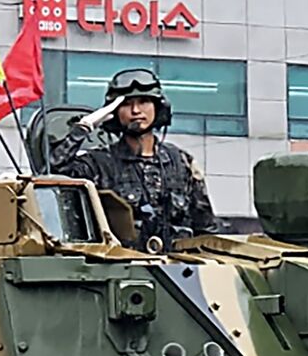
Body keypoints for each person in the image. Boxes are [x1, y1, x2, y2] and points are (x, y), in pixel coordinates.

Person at [49, 68, 216, 249]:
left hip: (178, 267)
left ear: (158, 108)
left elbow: (205, 227)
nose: (136, 110)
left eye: (144, 102)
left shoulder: (181, 162)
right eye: (127, 104)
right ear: (114, 111)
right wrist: (84, 127)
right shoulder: (100, 163)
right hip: (122, 265)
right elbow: (55, 171)